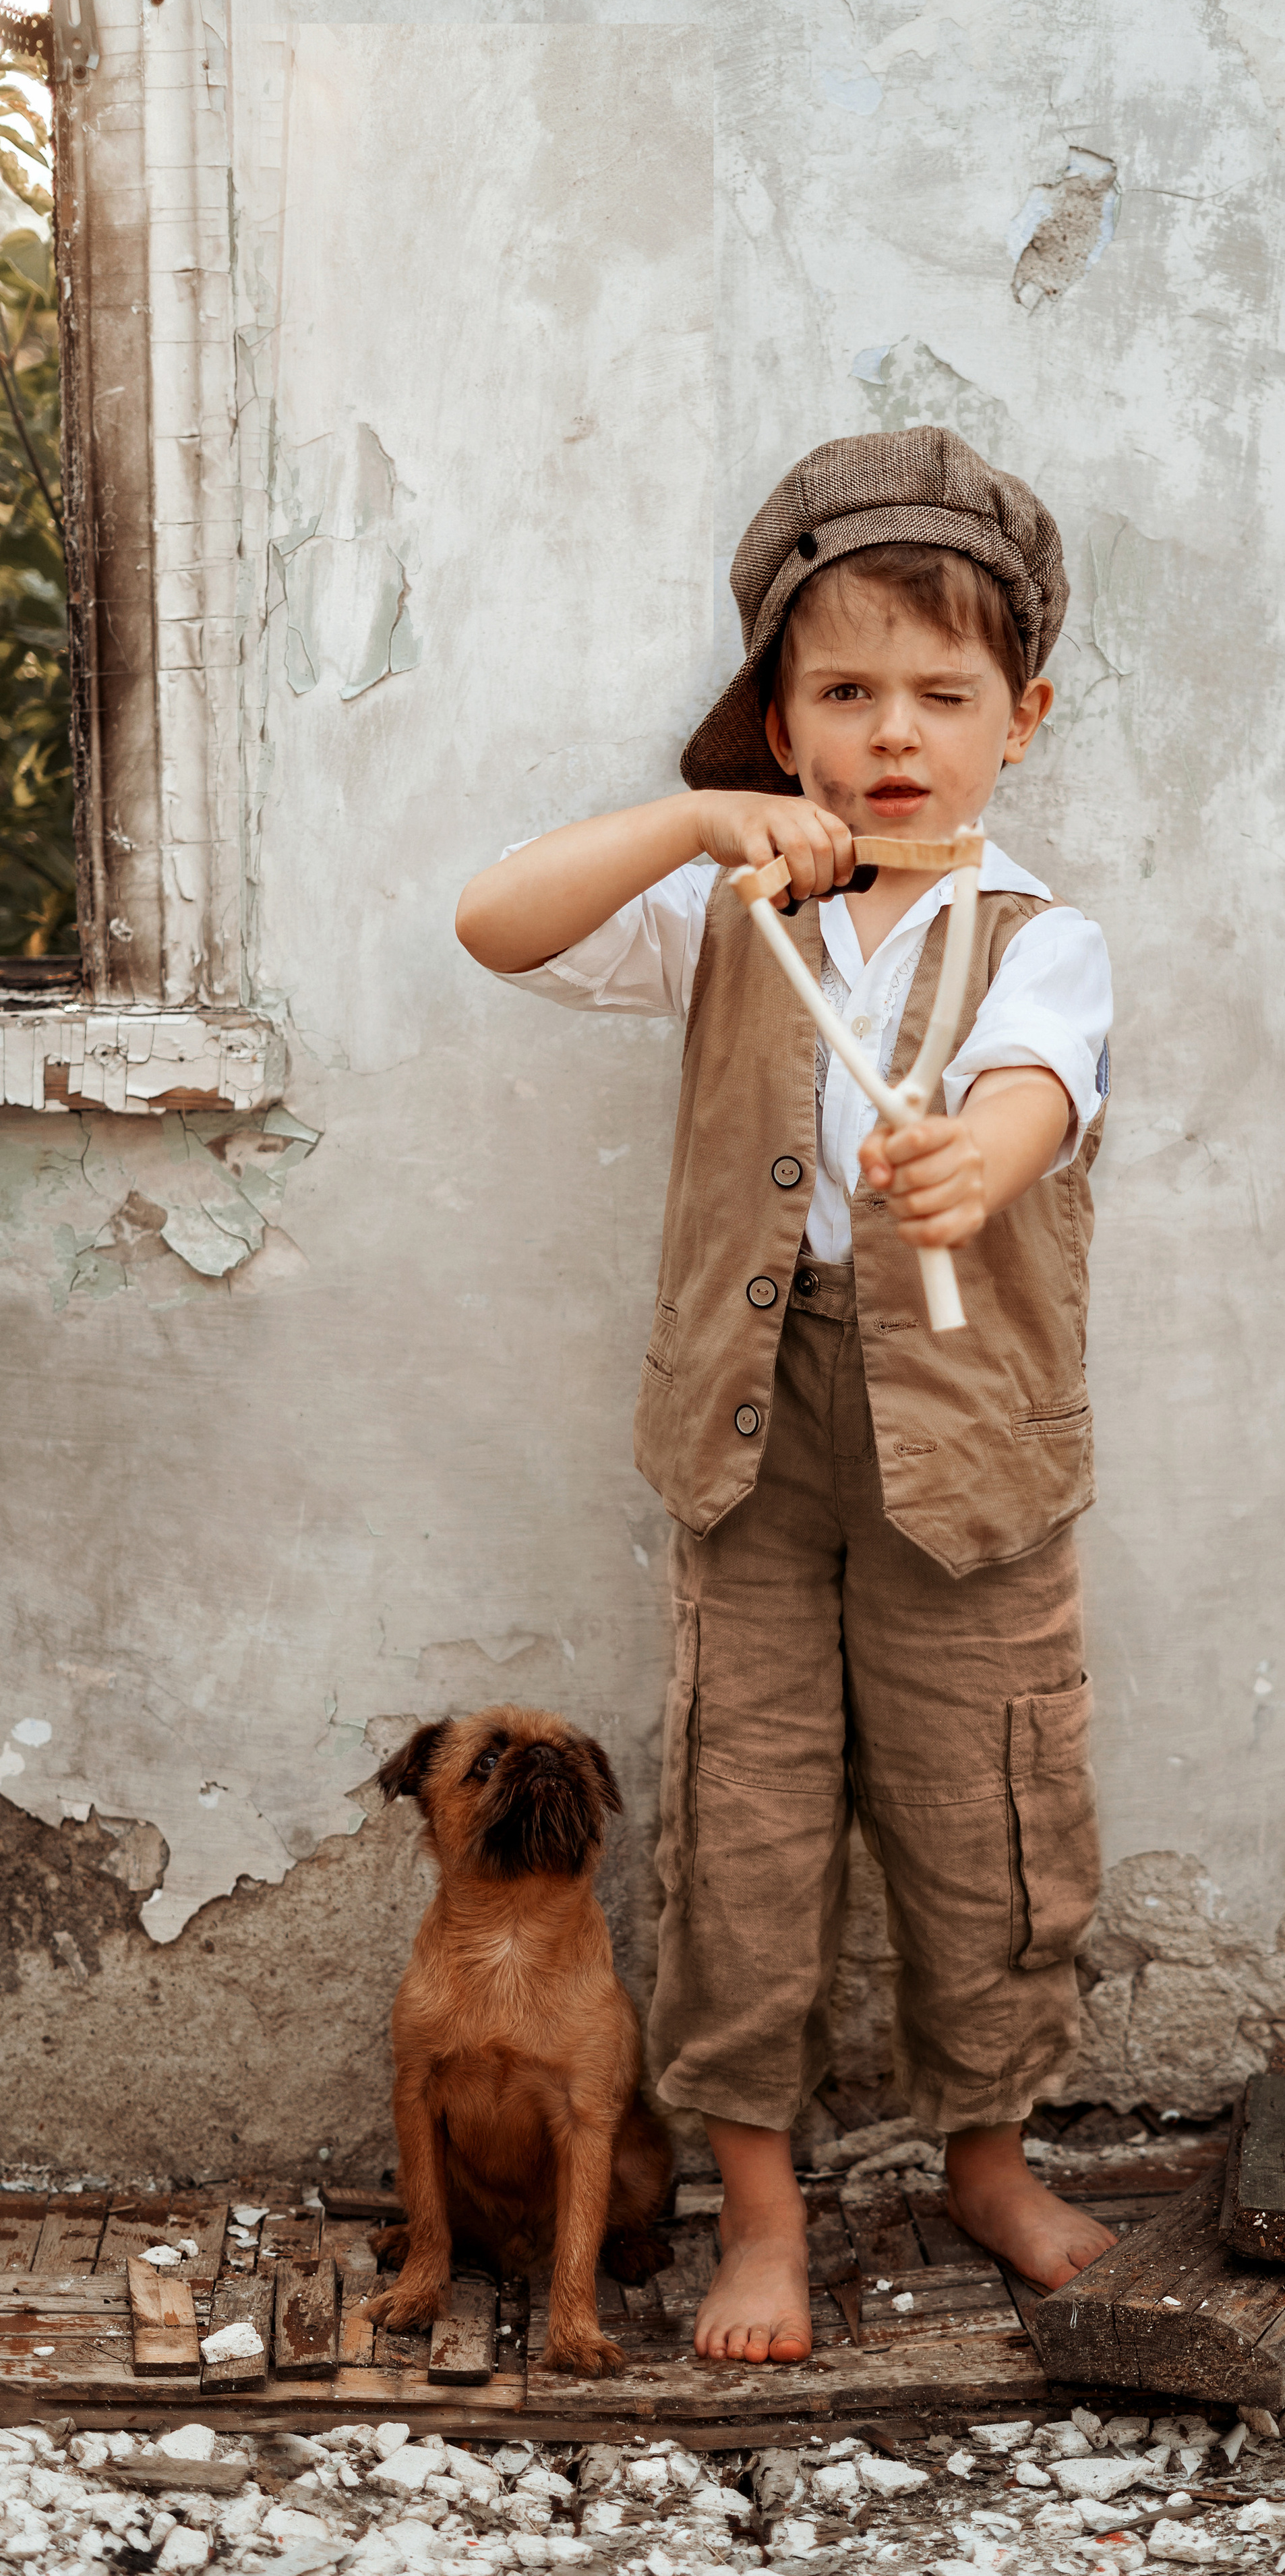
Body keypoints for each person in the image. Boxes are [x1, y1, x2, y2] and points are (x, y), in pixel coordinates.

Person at [456, 426, 1115, 2368]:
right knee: (746, 1828)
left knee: (987, 1820)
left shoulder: (1042, 937)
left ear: (1022, 719)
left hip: (968, 1451)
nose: (894, 733)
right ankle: (762, 2213)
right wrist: (694, 825)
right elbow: (496, 923)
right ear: (779, 721)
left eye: (945, 695)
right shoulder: (731, 910)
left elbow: (1036, 1090)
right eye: (843, 694)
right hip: (753, 1436)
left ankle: (987, 2160)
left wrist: (979, 1160)